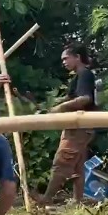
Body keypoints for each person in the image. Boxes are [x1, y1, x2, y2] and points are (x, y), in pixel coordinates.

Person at [37, 44, 99, 204]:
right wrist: (58, 102)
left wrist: (61, 107)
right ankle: (77, 201)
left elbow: (85, 99)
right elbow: (76, 97)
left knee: (62, 161)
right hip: (82, 127)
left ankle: (46, 199)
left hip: (80, 126)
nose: (64, 62)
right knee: (78, 165)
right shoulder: (81, 76)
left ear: (77, 57)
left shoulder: (84, 74)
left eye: (66, 58)